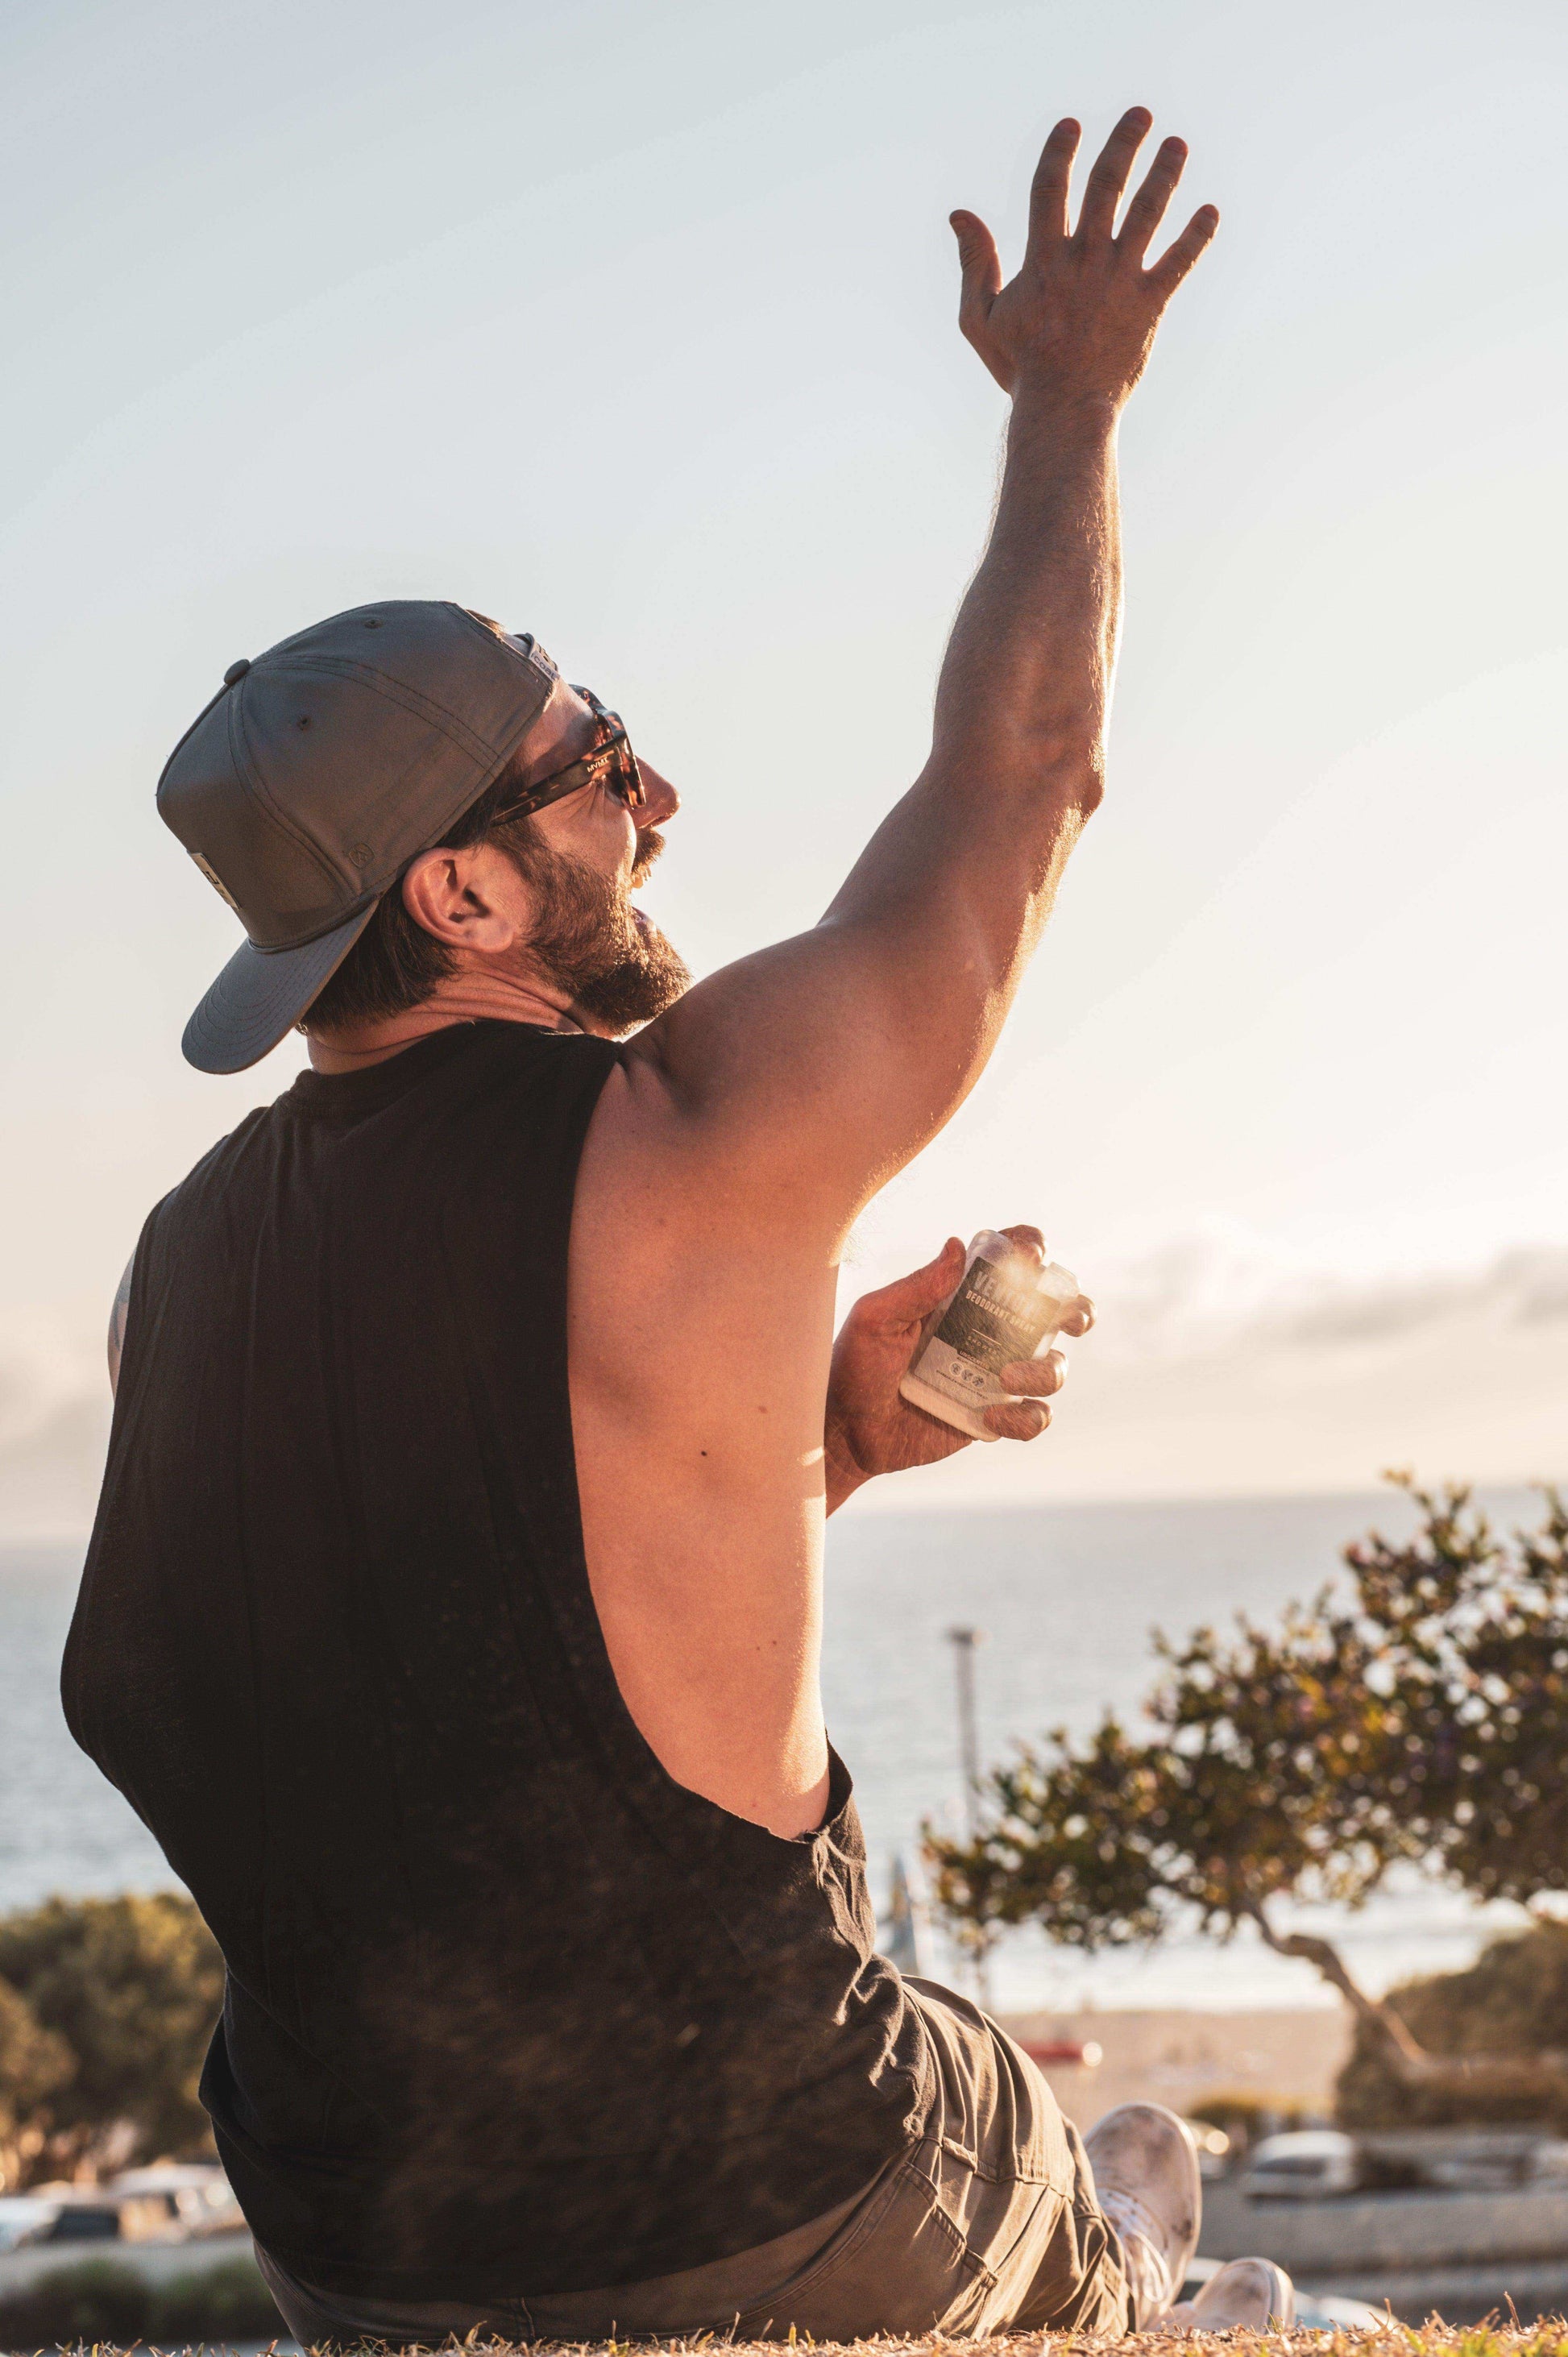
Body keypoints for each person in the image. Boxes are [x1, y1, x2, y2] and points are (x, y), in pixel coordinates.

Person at [65, 108, 1294, 2341]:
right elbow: (1021, 786)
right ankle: (1165, 2303)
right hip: (768, 2220)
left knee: (979, 2105)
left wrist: (814, 1436)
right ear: (459, 896)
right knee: (976, 2131)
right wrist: (1068, 404)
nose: (656, 805)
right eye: (597, 767)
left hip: (368, 2270)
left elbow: (459, 1674)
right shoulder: (688, 1127)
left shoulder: (179, 1271)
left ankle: (1110, 2244)